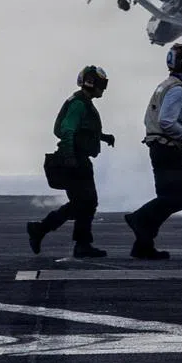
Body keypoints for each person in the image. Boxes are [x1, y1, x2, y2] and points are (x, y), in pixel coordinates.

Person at [124, 43, 182, 259]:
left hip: (158, 147)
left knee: (166, 196)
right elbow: (167, 122)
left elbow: (150, 119)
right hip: (168, 149)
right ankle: (139, 219)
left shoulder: (164, 86)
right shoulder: (177, 89)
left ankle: (143, 245)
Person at [26, 66, 115, 258]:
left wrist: (103, 137)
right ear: (92, 83)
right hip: (75, 159)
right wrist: (69, 157)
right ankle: (71, 240)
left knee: (83, 203)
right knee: (86, 202)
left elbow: (83, 130)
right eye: (101, 84)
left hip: (78, 158)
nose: (104, 88)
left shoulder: (82, 102)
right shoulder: (79, 104)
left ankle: (48, 232)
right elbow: (67, 130)